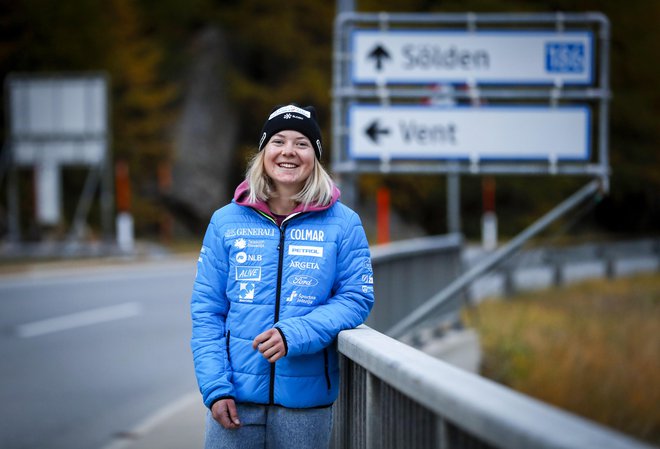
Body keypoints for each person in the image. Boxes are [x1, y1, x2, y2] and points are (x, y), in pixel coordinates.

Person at [190, 104, 375, 449]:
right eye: (278, 141)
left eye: (302, 143)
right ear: (263, 152)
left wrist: (296, 333)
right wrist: (215, 387)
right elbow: (207, 311)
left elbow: (356, 297)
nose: (288, 151)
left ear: (315, 157)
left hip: (305, 406)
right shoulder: (225, 221)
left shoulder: (344, 223)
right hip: (234, 400)